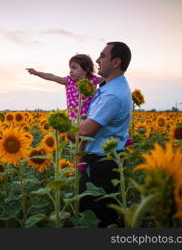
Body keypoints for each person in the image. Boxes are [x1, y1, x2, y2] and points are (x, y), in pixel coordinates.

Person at [78, 41, 132, 227]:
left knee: (95, 218)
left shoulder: (113, 95)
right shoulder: (107, 88)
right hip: (101, 161)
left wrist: (61, 124)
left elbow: (85, 131)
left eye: (102, 56)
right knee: (93, 214)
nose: (97, 60)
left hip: (102, 164)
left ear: (116, 62)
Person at [26, 54, 101, 122]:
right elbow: (52, 77)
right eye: (70, 68)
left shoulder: (92, 80)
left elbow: (108, 77)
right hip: (72, 119)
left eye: (74, 68)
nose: (70, 71)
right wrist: (36, 73)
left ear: (86, 69)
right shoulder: (69, 81)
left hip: (88, 120)